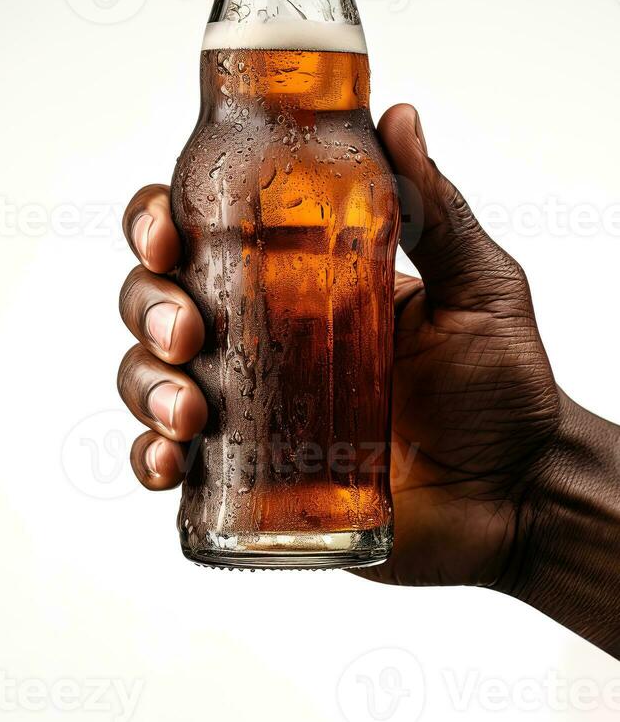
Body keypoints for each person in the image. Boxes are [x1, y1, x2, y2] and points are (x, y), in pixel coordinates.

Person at [117, 103, 620, 658]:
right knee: (179, 327)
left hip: (378, 498)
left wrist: (530, 485)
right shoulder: (230, 135)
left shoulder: (345, 145)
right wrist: (527, 495)